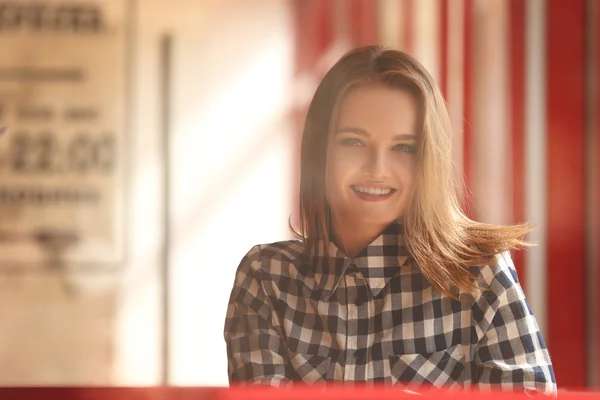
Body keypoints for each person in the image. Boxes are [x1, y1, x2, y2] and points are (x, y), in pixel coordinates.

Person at [223, 46, 556, 394]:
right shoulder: (266, 278)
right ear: (319, 151)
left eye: (404, 148)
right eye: (354, 142)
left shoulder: (478, 270)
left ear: (428, 159)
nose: (378, 169)